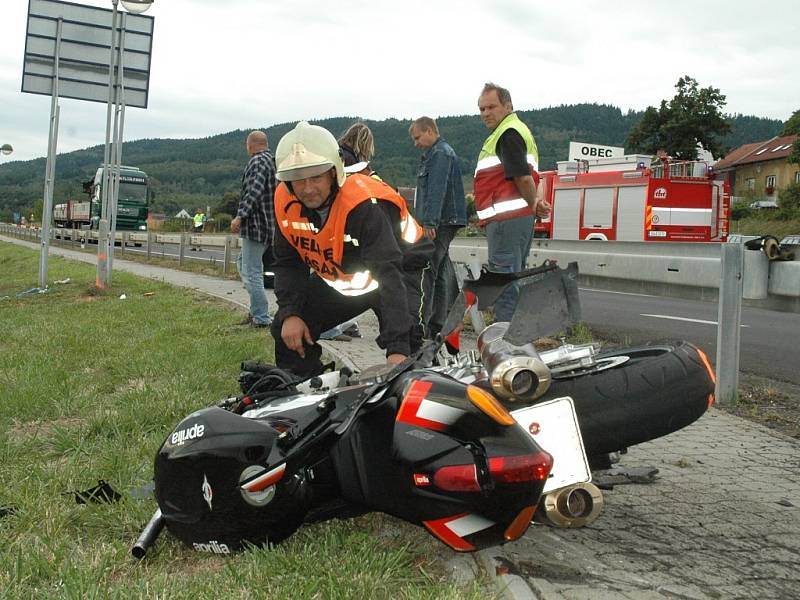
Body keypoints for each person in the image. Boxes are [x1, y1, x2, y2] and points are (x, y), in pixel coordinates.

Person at [270, 121, 432, 377]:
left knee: (406, 350)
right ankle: (308, 398)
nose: (308, 188)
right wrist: (290, 313)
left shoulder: (364, 205)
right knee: (288, 329)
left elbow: (390, 275)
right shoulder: (284, 201)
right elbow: (287, 263)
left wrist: (397, 349)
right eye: (298, 180)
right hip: (345, 277)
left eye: (316, 176)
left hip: (400, 269)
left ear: (334, 172)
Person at [475, 82, 550, 321]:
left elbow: (522, 177)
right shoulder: (514, 130)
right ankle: (513, 337)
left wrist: (534, 204)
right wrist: (535, 204)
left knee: (503, 279)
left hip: (507, 220)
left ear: (508, 106)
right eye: (481, 109)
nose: (485, 113)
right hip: (515, 220)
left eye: (491, 107)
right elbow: (526, 178)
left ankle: (505, 340)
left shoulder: (508, 133)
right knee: (511, 277)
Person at [409, 116, 467, 339]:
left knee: (428, 271)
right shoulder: (437, 153)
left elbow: (436, 189)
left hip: (441, 222)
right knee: (441, 273)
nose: (416, 143)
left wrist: (430, 222)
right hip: (445, 220)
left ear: (430, 131)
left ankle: (424, 326)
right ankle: (439, 324)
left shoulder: (440, 154)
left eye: (417, 137)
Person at [231, 130, 276, 328]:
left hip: (256, 225)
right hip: (269, 224)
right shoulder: (272, 161)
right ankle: (256, 311)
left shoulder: (257, 161)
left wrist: (240, 216)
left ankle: (261, 316)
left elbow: (253, 192)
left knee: (252, 272)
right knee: (243, 264)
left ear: (249, 145)